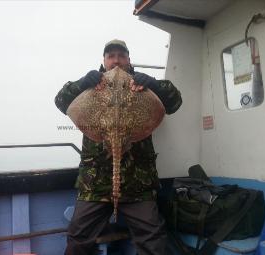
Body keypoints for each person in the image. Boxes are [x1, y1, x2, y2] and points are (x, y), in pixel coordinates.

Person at [55, 39, 182, 255]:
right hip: (95, 183)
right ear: (103, 61)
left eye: (121, 56)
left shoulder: (141, 84)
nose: (116, 61)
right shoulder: (91, 85)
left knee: (153, 239)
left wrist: (153, 83)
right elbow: (61, 101)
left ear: (129, 60)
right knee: (78, 238)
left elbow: (174, 102)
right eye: (111, 56)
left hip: (138, 182)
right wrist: (83, 82)